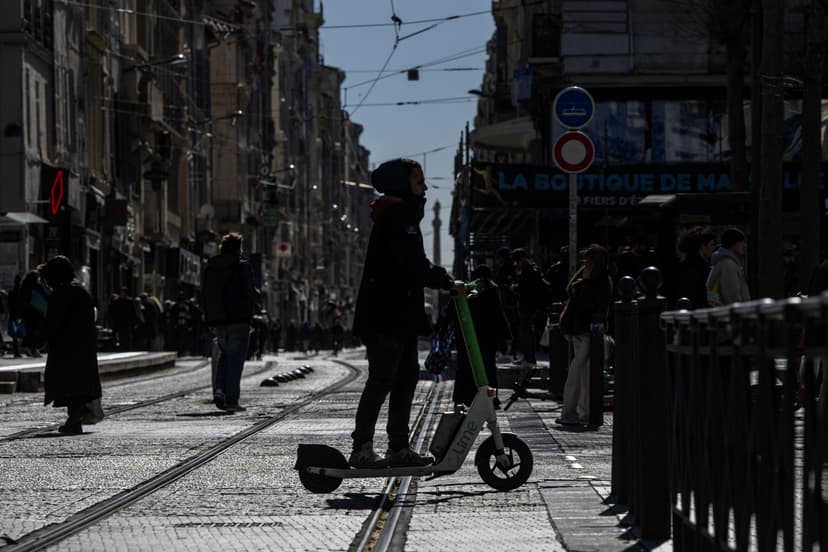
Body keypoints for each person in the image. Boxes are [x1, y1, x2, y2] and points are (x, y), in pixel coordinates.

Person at [350, 157, 462, 468]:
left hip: (399, 315)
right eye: (419, 182)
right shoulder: (399, 217)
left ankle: (398, 447)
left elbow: (413, 266)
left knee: (405, 379)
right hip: (388, 316)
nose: (425, 187)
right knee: (383, 380)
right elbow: (413, 265)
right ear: (403, 185)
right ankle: (362, 447)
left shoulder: (401, 215)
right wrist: (448, 282)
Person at [40, 256, 102, 434]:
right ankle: (74, 420)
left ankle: (75, 416)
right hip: (83, 347)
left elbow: (53, 322)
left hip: (66, 348)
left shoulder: (61, 294)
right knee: (77, 384)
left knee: (68, 384)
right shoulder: (81, 291)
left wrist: (39, 340)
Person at [202, 232, 259, 412]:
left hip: (218, 320)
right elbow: (250, 292)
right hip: (239, 320)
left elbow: (205, 294)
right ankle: (232, 400)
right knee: (235, 362)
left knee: (224, 357)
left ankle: (219, 391)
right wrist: (257, 302)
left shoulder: (211, 266)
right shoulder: (242, 266)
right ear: (238, 247)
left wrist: (210, 318)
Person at [557, 244, 613, 426]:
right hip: (580, 330)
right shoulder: (591, 276)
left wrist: (585, 283)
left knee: (580, 373)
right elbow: (574, 297)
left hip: (585, 330)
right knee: (581, 373)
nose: (585, 262)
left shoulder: (597, 279)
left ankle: (576, 412)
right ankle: (579, 412)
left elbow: (586, 303)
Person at [451, 264, 511, 408]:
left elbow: (454, 310)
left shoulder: (467, 288)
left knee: (465, 366)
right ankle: (492, 399)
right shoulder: (492, 288)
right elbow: (499, 314)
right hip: (487, 336)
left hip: (467, 334)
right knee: (489, 367)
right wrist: (507, 335)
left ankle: (462, 397)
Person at [510, 248, 551, 367]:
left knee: (527, 332)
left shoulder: (530, 271)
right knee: (527, 332)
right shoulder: (530, 270)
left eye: (517, 260)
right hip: (528, 306)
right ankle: (529, 357)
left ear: (523, 258)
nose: (516, 263)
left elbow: (528, 289)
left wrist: (515, 288)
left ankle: (529, 358)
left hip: (528, 306)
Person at [706, 228, 750, 306]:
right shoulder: (728, 264)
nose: (744, 245)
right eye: (741, 242)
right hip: (733, 315)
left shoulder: (724, 261)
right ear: (733, 244)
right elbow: (732, 297)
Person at [675, 227, 716, 309]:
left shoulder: (681, 266)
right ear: (702, 246)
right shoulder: (704, 269)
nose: (714, 248)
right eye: (712, 244)